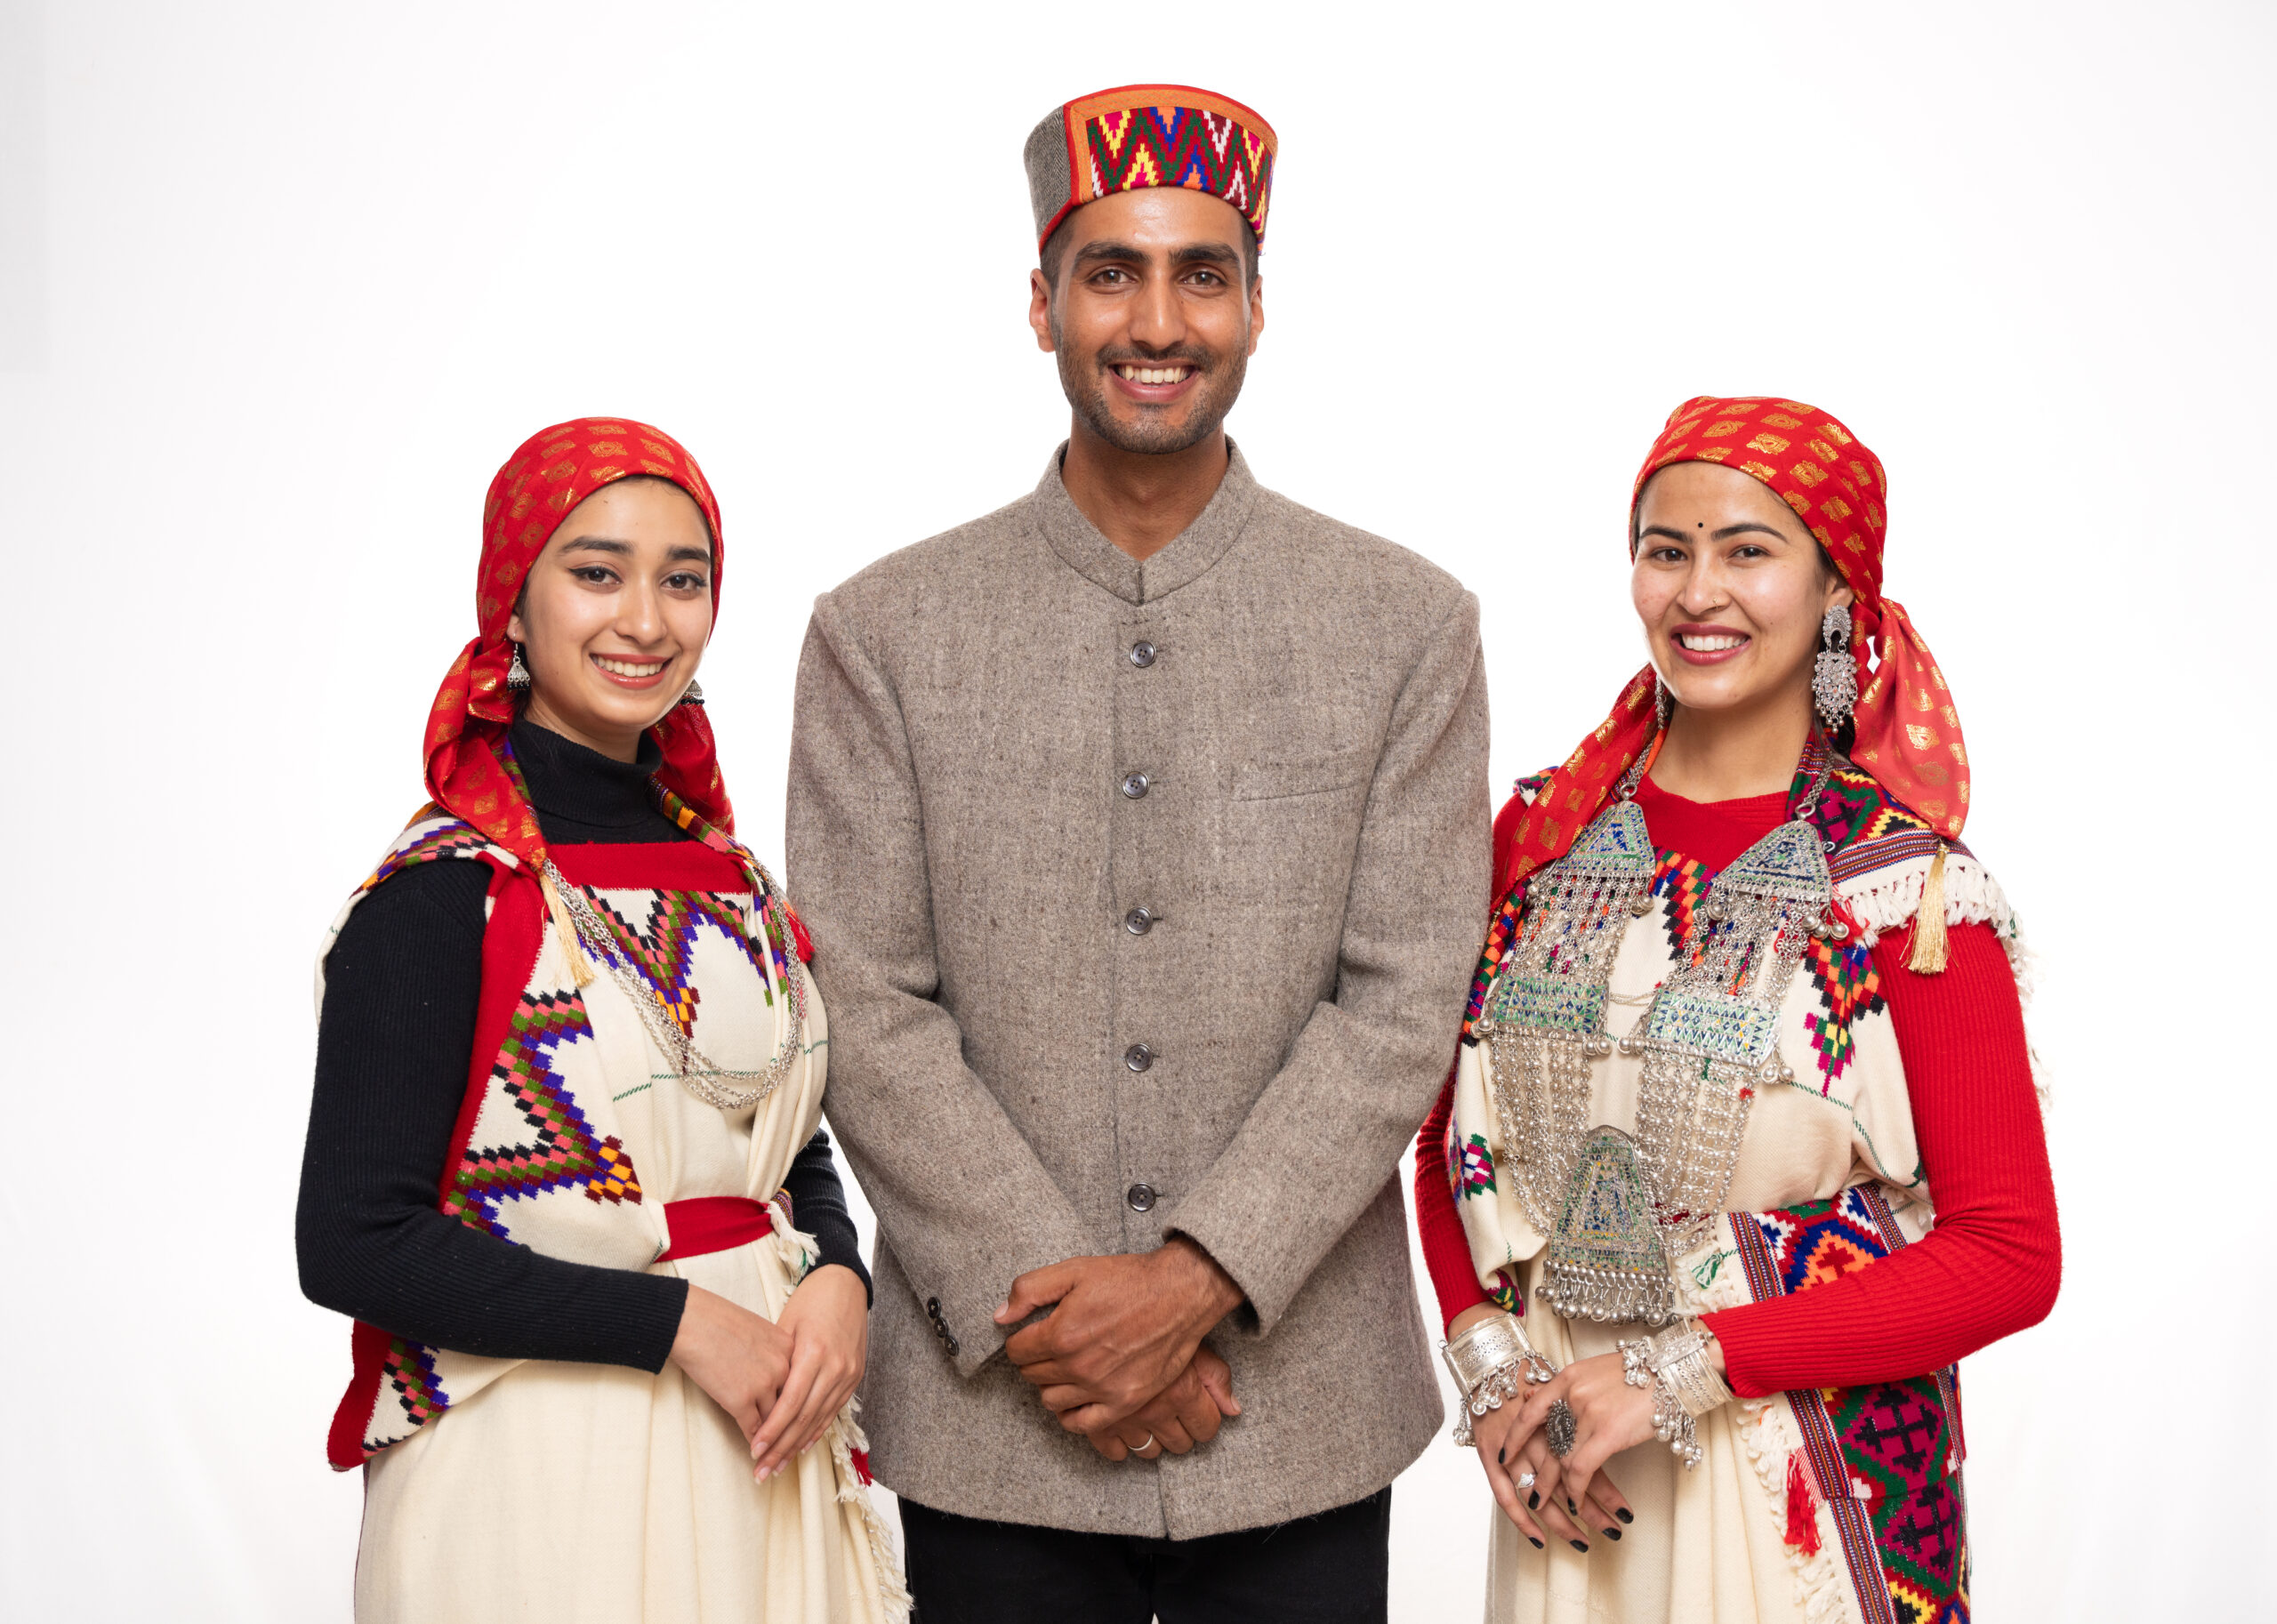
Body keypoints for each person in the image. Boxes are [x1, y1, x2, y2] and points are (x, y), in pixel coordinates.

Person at [784, 86, 1491, 1623]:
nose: (1157, 321)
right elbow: (866, 1006)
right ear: (1041, 305)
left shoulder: (1405, 623)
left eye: (1201, 275)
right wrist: (1066, 1320)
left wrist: (1187, 1285)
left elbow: (1402, 1001)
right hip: (995, 1417)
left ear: (1257, 309)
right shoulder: (880, 634)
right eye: (1111, 272)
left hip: (1298, 1405)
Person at [1412, 396, 2061, 1623]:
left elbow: (2008, 1253)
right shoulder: (1543, 839)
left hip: (1796, 1481)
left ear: (1835, 591)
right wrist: (1493, 1373)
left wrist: (1680, 1368)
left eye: (1747, 550)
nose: (1698, 591)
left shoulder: (1905, 890)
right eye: (1667, 550)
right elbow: (1446, 1140)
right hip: (1569, 1474)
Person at [296, 419, 906, 1623]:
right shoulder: (443, 893)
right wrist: (675, 1322)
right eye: (596, 572)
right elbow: (354, 1240)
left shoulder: (733, 880)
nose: (645, 619)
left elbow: (779, 1141)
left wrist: (841, 1275)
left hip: (763, 1442)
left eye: (683, 579)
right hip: (536, 1476)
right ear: (513, 606)